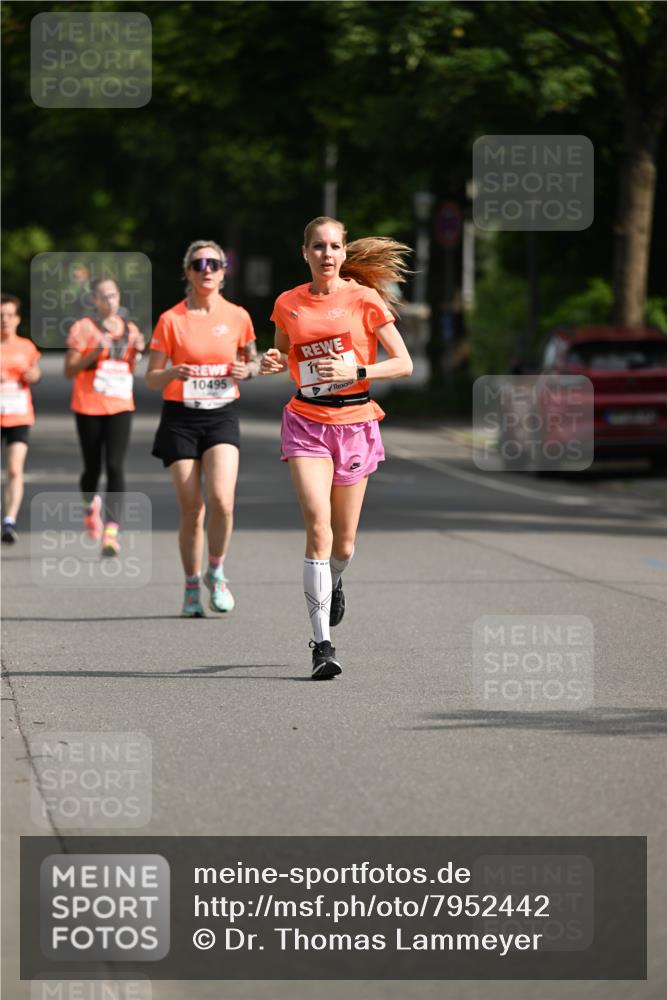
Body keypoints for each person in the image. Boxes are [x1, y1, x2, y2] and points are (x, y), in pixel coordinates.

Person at [261, 216, 413, 679]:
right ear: (304, 253)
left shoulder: (364, 300)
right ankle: (322, 644)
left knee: (343, 544)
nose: (326, 254)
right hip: (306, 421)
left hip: (355, 422)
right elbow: (284, 350)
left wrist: (358, 373)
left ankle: (336, 579)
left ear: (344, 253)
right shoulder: (287, 303)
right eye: (317, 247)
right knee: (318, 528)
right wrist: (272, 360)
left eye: (334, 247)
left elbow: (403, 363)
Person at [146, 240, 259, 617]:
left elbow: (253, 362)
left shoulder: (239, 316)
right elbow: (150, 379)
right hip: (180, 417)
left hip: (221, 414)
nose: (206, 269)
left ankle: (216, 570)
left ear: (225, 271)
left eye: (214, 263)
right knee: (192, 508)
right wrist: (171, 372)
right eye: (199, 264)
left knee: (223, 501)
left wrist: (249, 370)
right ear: (188, 272)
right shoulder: (171, 320)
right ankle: (191, 585)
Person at [64, 277, 145, 556]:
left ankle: (111, 531)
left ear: (119, 297)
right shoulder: (83, 328)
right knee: (92, 468)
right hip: (88, 405)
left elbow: (128, 368)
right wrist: (94, 353)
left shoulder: (131, 330)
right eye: (103, 296)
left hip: (120, 404)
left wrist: (138, 352)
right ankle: (90, 505)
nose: (109, 301)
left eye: (113, 295)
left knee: (115, 465)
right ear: (94, 300)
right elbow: (69, 370)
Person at [1, 294, 42, 543]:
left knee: (15, 470)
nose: (4, 320)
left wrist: (31, 374)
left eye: (9, 315)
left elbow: (36, 371)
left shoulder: (26, 346)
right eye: (0, 316)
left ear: (17, 319)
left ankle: (9, 521)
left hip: (17, 414)